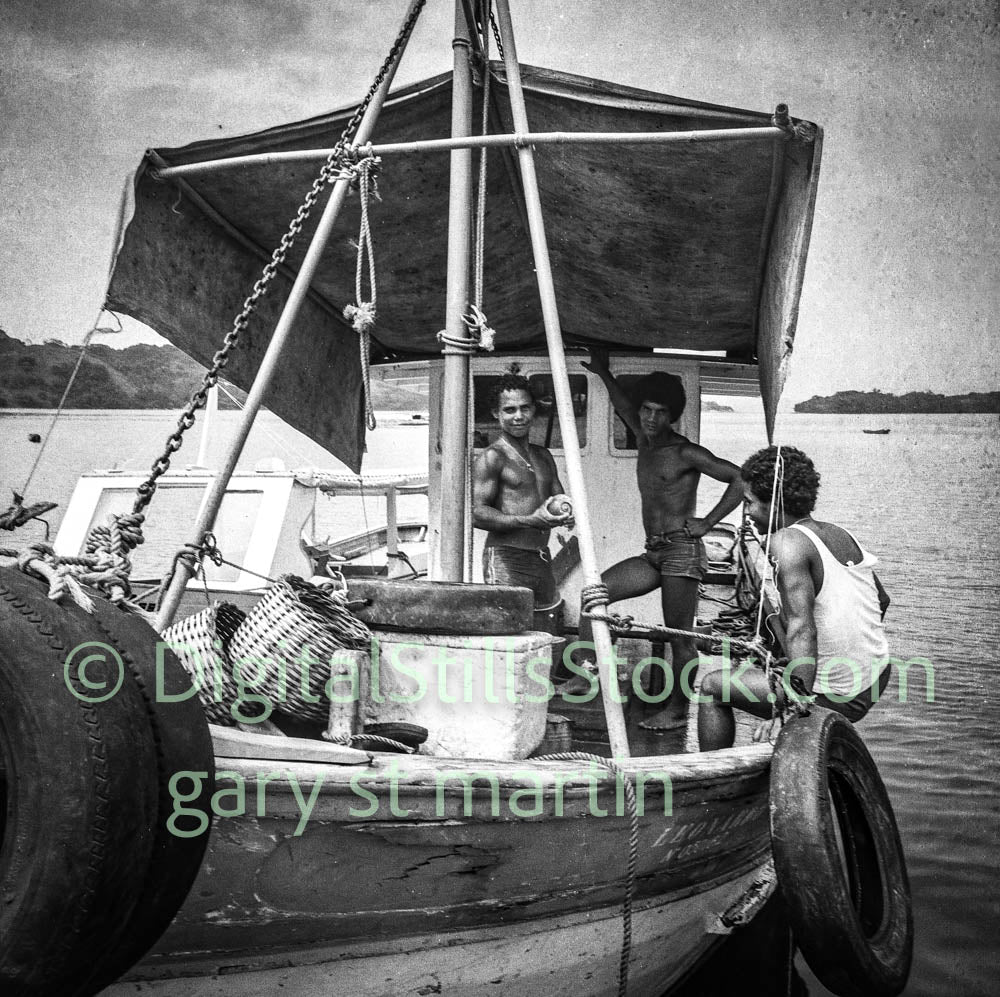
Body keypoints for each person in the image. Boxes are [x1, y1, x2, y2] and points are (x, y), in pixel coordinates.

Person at [567, 349, 744, 730]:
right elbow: (621, 403)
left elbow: (741, 478)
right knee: (594, 596)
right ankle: (586, 676)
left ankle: (678, 712)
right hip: (654, 553)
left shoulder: (685, 452)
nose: (650, 418)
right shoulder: (644, 439)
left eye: (659, 412)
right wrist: (602, 373)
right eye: (647, 410)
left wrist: (707, 523)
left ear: (672, 415)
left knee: (680, 636)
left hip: (682, 552)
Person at [698, 445, 892, 750]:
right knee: (776, 621)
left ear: (774, 503)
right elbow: (881, 600)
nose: (746, 513)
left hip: (838, 692)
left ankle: (710, 780)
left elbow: (803, 629)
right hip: (876, 677)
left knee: (712, 687)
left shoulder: (785, 542)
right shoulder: (838, 533)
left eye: (749, 502)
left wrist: (789, 708)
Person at [472, 368, 572, 615]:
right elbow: (478, 514)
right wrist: (529, 520)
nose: (519, 416)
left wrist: (568, 512)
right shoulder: (492, 457)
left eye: (525, 408)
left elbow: (558, 499)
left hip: (541, 557)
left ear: (534, 409)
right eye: (509, 410)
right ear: (496, 413)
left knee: (546, 630)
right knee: (509, 640)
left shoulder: (543, 455)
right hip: (506, 558)